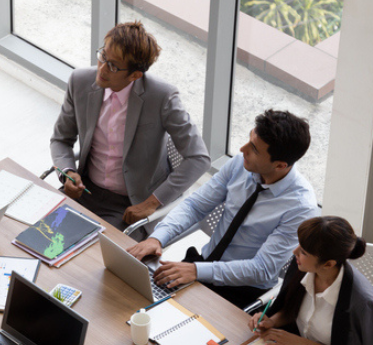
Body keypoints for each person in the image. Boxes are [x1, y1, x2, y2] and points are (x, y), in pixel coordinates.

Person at [129, 109, 318, 308]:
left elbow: (262, 269)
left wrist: (196, 271)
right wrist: (157, 237)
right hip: (200, 266)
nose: (242, 149)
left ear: (280, 165)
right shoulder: (239, 164)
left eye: (254, 149)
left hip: (241, 291)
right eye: (249, 139)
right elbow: (195, 206)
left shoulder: (301, 208)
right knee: (135, 301)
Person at [50, 22, 209, 238]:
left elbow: (198, 158)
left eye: (113, 66)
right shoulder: (80, 81)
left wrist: (153, 202)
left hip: (129, 206)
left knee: (94, 263)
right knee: (41, 237)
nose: (102, 68)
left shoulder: (162, 97)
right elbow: (61, 139)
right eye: (102, 56)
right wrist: (67, 172)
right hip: (84, 191)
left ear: (135, 75)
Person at [250, 216, 373, 345]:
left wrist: (300, 343)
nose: (294, 252)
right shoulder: (302, 266)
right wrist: (270, 321)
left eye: (303, 252)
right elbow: (290, 310)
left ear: (328, 264)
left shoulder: (365, 305)